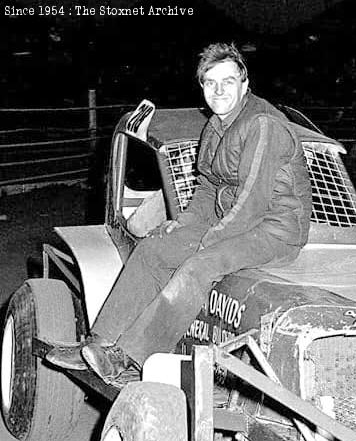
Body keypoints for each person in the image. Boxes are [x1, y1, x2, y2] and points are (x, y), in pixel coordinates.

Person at [48, 42, 312, 384]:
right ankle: (98, 343)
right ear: (202, 87)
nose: (219, 90)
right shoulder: (216, 125)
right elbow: (208, 185)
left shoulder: (263, 124)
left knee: (199, 266)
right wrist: (183, 226)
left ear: (245, 84)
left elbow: (250, 204)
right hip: (236, 222)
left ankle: (127, 357)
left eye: (228, 81)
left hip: (275, 228)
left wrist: (206, 242)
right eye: (210, 83)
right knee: (154, 248)